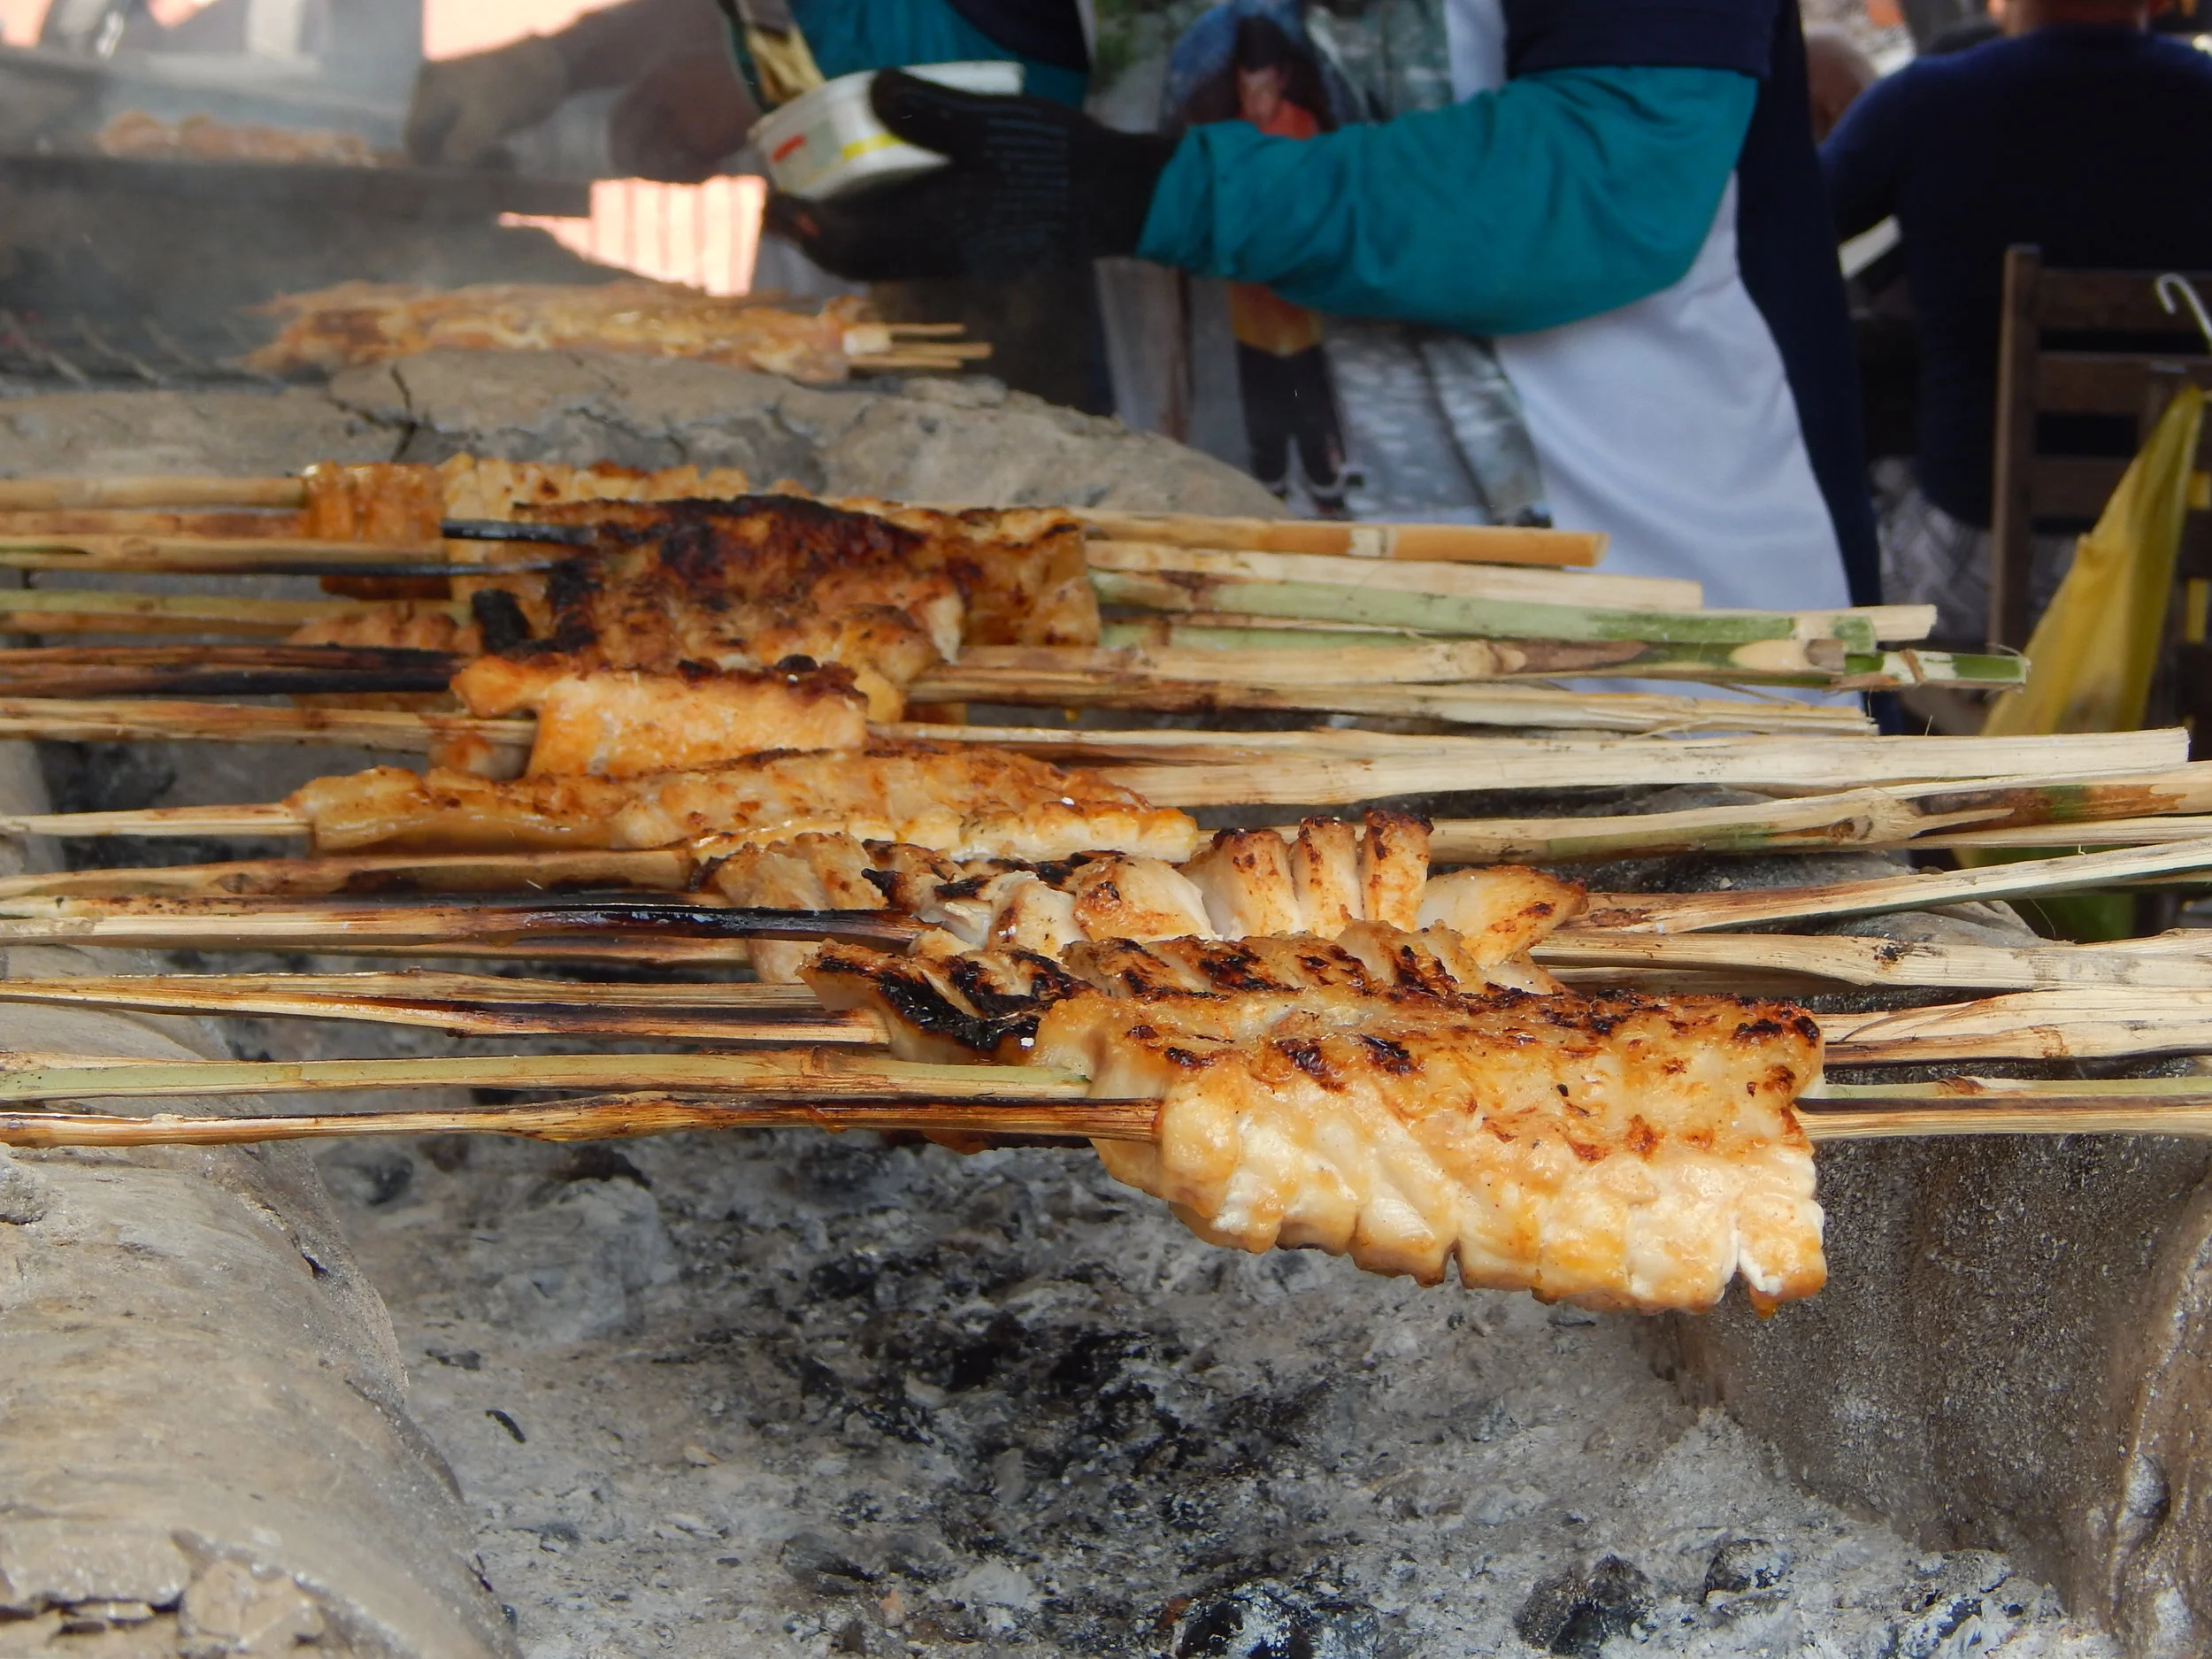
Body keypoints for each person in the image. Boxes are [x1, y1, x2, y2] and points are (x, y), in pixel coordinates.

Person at [771, 0, 1879, 618]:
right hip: (1234, 605)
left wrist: (1157, 190)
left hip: (1647, 612)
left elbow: (1608, 181)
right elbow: (984, 76)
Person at [1824, 0, 2212, 640]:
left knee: (1817, 522)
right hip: (2182, 576)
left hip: (1984, 572)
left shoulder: (1926, 101)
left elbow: (1776, 242)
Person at [1187, 13, 1351, 512]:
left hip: (1298, 305)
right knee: (1261, 404)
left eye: (1263, 89)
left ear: (1280, 79)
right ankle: (1271, 488)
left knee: (1308, 402)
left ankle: (1326, 488)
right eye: (1244, 88)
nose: (1254, 103)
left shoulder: (1305, 128)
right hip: (1249, 305)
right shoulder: (1229, 131)